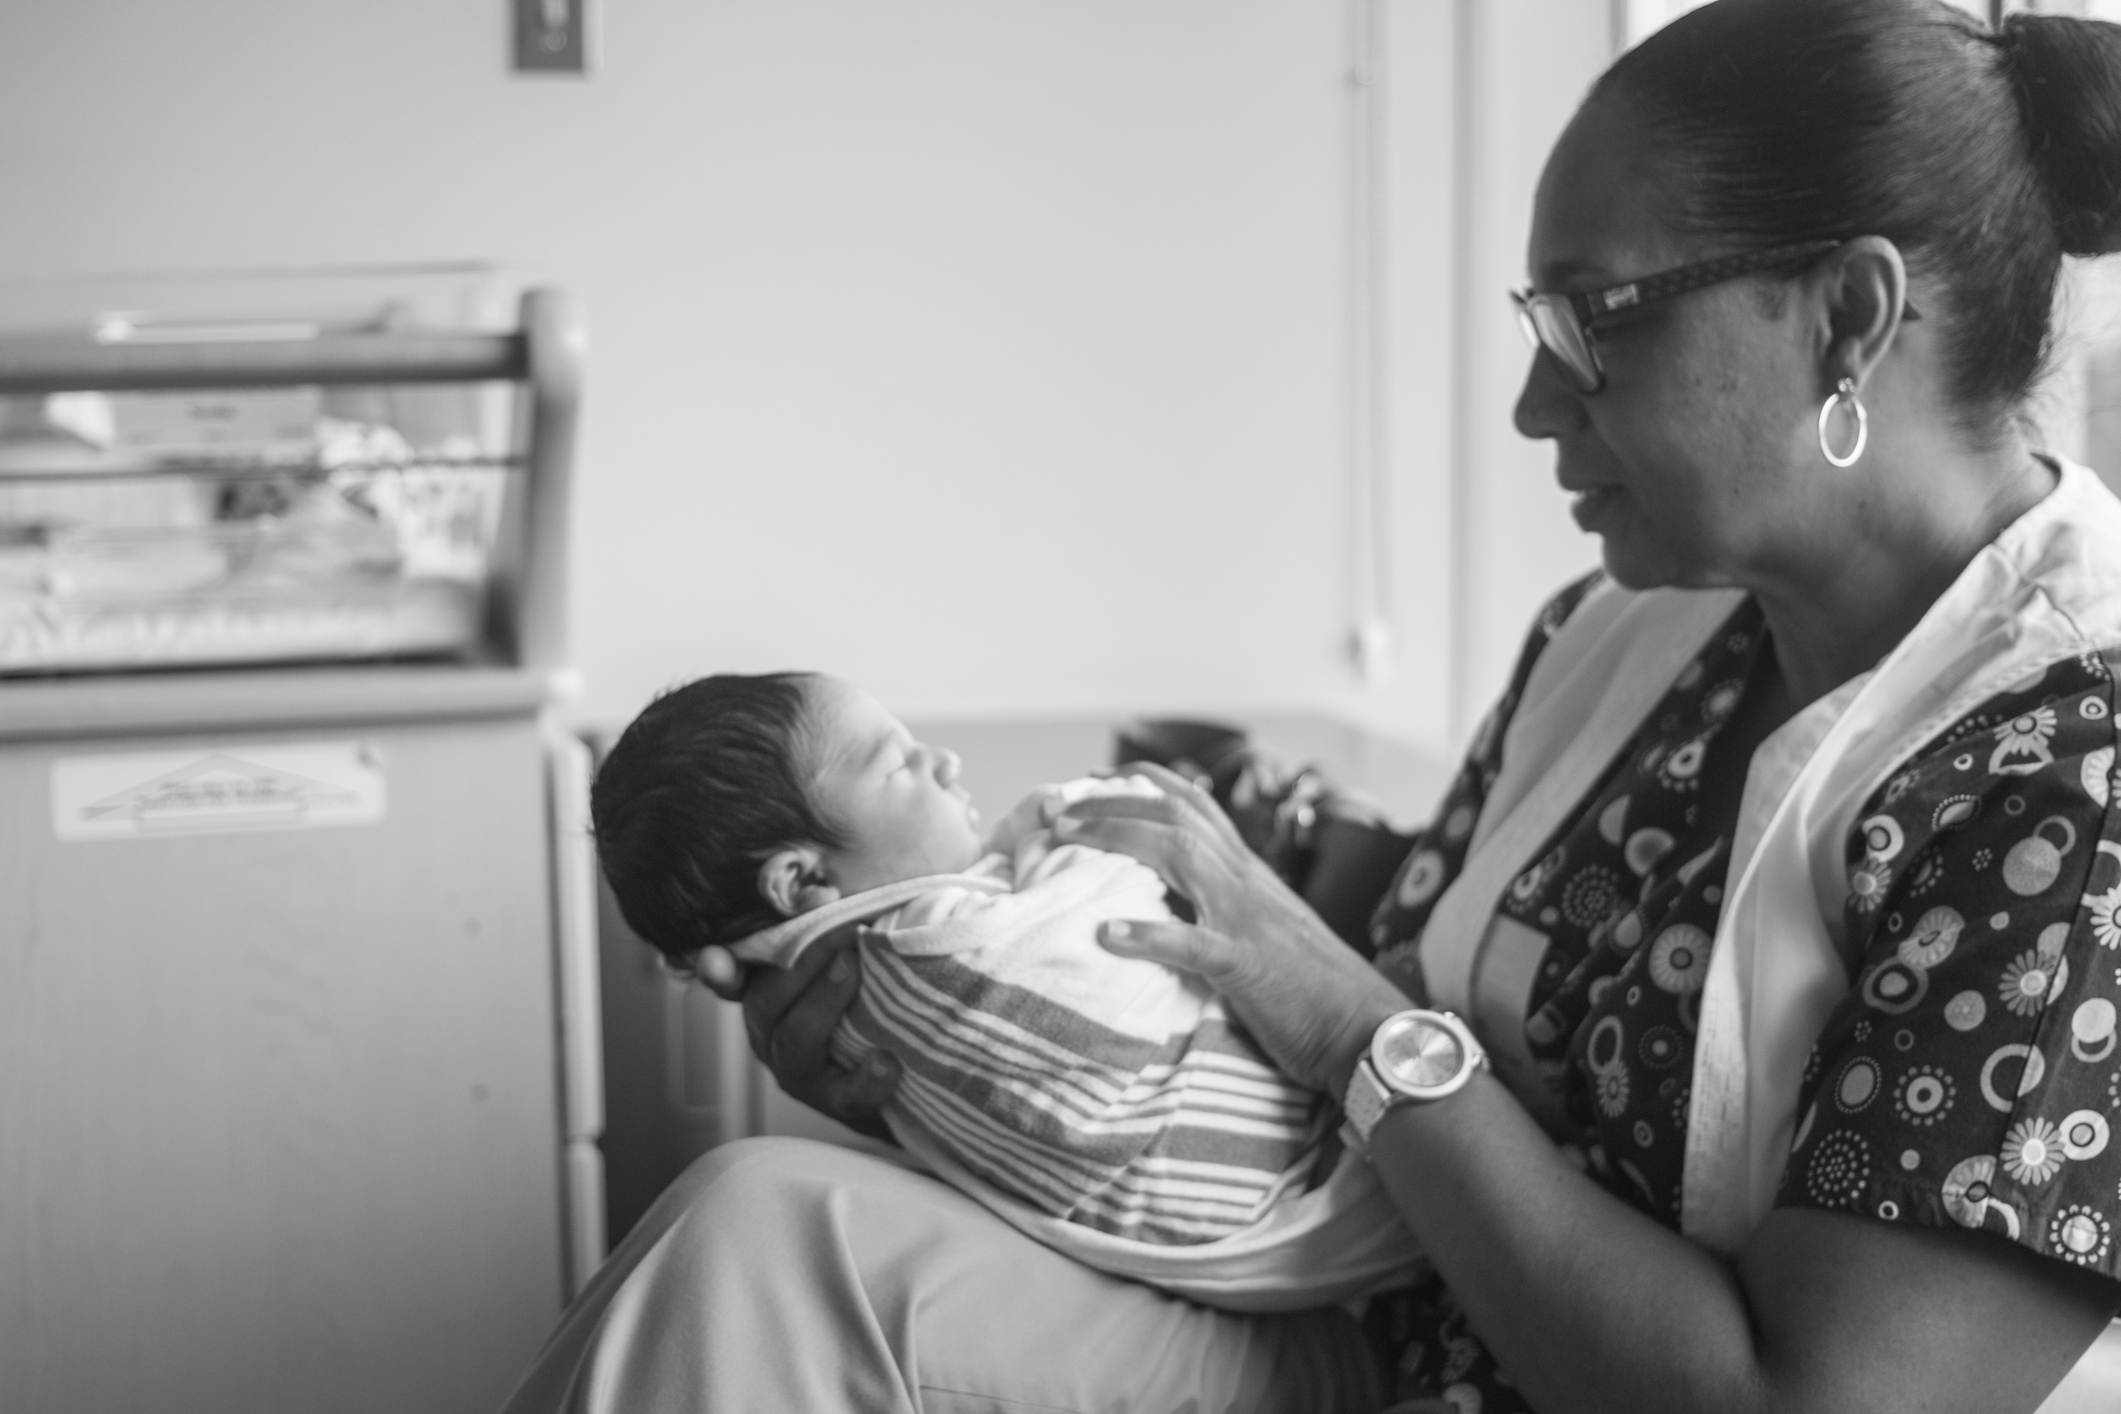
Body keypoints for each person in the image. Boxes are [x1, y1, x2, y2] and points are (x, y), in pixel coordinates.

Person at [501, 2, 2121, 1410]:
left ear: (1845, 317)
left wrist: (1333, 1003)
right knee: (748, 1232)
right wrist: (953, 998)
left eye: (1593, 317)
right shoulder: (1630, 624)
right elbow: (1459, 938)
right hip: (1394, 1320)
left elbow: (1801, 1396)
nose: (1531, 397)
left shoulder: (2071, 768)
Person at [587, 671, 1419, 1302]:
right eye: (898, 765)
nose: (943, 762)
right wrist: (1091, 811)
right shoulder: (941, 947)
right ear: (801, 883)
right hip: (1313, 1195)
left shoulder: (825, 975)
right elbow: (1112, 922)